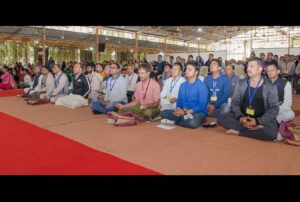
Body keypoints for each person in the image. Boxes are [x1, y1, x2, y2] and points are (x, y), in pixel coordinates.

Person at [218, 57, 279, 141]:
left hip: (260, 118)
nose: (248, 69)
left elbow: (274, 108)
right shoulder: (241, 83)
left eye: (251, 66)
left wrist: (258, 122)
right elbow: (235, 102)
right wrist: (240, 117)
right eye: (247, 66)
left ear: (260, 69)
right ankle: (252, 130)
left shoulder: (270, 87)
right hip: (243, 116)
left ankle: (240, 132)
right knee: (221, 118)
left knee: (271, 133)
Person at [160, 62, 208, 128]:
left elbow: (202, 105)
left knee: (192, 123)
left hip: (197, 112)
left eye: (190, 69)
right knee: (163, 113)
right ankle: (183, 119)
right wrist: (179, 110)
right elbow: (179, 101)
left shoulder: (201, 86)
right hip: (184, 111)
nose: (187, 71)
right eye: (186, 69)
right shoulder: (183, 85)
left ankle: (179, 121)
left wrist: (186, 112)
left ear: (196, 72)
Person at [266, 60, 295, 124]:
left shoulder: (286, 83)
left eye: (272, 70)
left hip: (279, 109)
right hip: (266, 109)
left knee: (290, 114)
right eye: (268, 71)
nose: (270, 72)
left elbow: (288, 103)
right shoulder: (263, 83)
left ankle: (272, 122)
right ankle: (269, 122)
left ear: (278, 71)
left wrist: (274, 110)